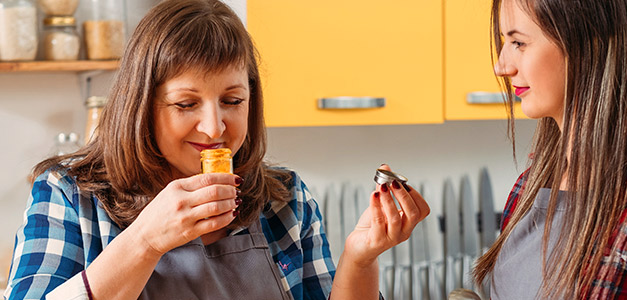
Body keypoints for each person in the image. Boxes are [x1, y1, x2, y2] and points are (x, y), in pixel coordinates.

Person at [3, 0, 430, 299]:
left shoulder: (285, 199)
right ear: (141, 106)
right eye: (186, 104)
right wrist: (146, 240)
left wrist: (360, 259)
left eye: (232, 101)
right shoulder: (70, 196)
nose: (214, 127)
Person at [472, 0, 627, 298]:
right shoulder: (529, 188)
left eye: (518, 42)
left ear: (588, 45)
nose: (501, 66)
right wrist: (373, 260)